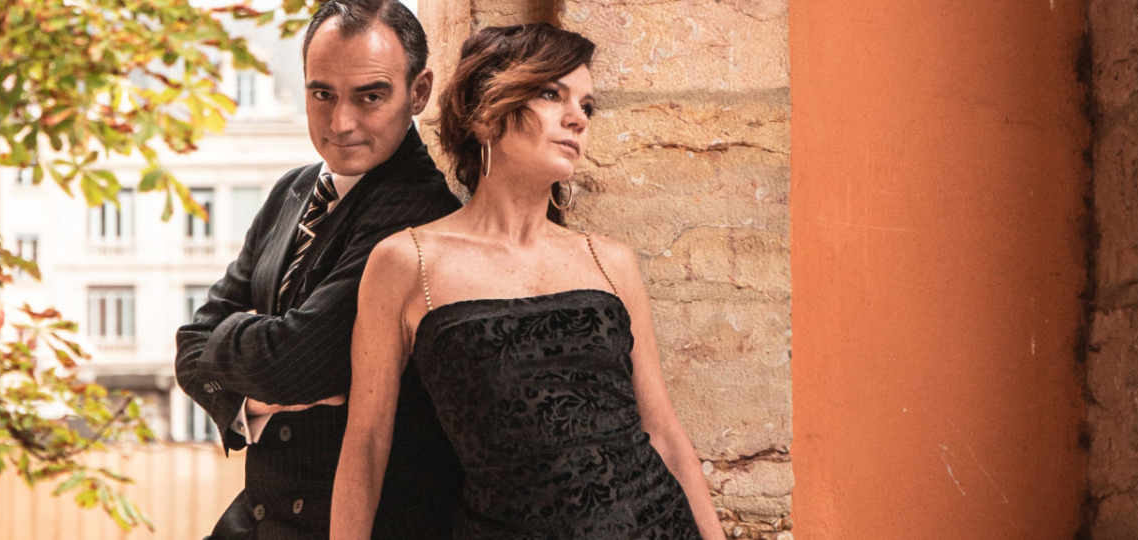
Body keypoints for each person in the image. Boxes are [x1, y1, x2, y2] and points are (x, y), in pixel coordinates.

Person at [331, 23, 727, 540]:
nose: (577, 118)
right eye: (551, 95)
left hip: (658, 526)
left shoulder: (608, 260)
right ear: (483, 114)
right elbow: (365, 448)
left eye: (587, 106)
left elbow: (664, 434)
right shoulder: (408, 262)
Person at [174, 0, 465, 538]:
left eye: (370, 96)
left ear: (419, 92)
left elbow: (291, 365)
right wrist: (256, 387)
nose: (340, 123)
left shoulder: (422, 211)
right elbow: (189, 343)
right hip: (251, 519)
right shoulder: (293, 189)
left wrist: (236, 346)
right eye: (322, 94)